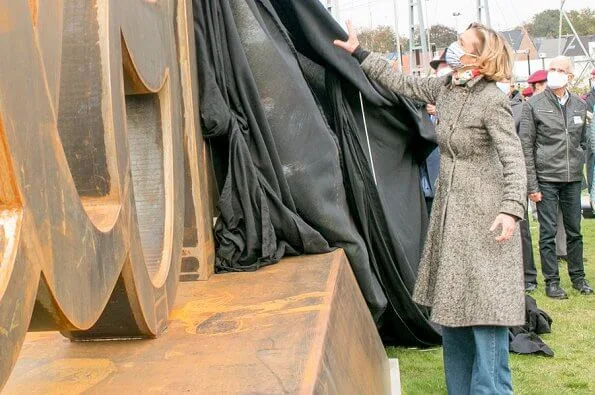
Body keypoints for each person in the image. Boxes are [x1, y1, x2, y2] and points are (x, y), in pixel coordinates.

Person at [335, 22, 527, 394]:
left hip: (487, 221)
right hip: (451, 218)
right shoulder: (446, 87)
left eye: (461, 43)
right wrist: (359, 52)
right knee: (453, 311)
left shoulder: (493, 100)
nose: (453, 47)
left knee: (485, 313)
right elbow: (401, 82)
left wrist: (511, 208)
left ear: (479, 57)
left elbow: (514, 160)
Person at [519, 56, 593, 299]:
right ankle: (552, 281)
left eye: (560, 70)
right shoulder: (534, 104)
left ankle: (578, 278)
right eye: (552, 68)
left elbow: (582, 141)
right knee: (547, 232)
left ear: (570, 76)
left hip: (572, 178)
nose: (555, 73)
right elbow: (526, 146)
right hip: (546, 177)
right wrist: (533, 184)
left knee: (575, 231)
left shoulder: (580, 106)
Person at [499, 79, 539, 292]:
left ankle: (528, 276)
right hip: (491, 174)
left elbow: (524, 143)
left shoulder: (521, 109)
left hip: (514, 173)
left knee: (520, 226)